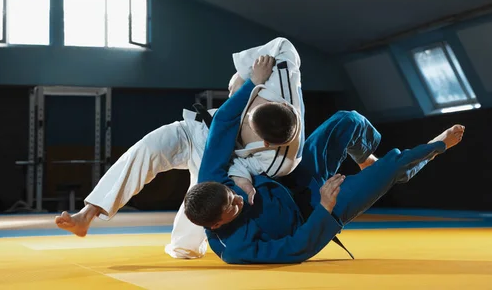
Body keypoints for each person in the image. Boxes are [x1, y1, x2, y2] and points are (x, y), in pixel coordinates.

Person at [54, 37, 323, 259]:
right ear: (277, 103)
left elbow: (237, 168)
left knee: (186, 246)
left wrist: (243, 181)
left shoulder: (278, 161)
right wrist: (246, 76)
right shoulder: (281, 83)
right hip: (197, 131)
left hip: (219, 161)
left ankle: (187, 246)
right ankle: (87, 214)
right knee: (147, 149)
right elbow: (282, 44)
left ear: (266, 143)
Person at [183, 76, 465, 264]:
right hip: (317, 211)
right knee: (390, 169)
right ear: (215, 225)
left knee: (347, 120)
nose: (238, 199)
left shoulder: (211, 180)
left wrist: (252, 83)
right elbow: (298, 247)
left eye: (230, 194)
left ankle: (365, 156)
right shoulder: (236, 250)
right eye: (232, 207)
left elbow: (222, 125)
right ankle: (437, 146)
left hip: (294, 180)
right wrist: (325, 207)